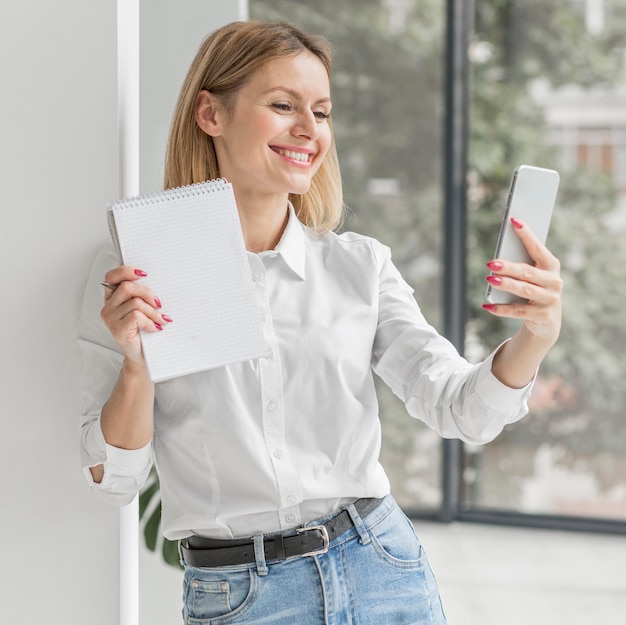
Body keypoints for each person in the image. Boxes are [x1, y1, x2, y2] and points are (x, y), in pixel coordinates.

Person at [79, 19, 563, 625]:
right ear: (211, 114)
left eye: (323, 111)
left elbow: (459, 408)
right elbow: (111, 479)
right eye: (283, 106)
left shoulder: (358, 266)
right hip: (239, 596)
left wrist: (535, 336)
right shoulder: (136, 272)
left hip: (380, 569)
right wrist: (135, 367)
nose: (309, 130)